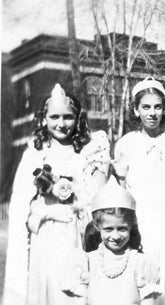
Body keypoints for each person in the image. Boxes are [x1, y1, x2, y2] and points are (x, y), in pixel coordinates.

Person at [4, 83, 110, 305]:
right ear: (44, 119)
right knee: (49, 289)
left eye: (68, 117)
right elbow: (21, 204)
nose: (61, 124)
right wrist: (48, 212)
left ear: (78, 118)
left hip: (76, 237)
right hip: (46, 238)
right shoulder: (36, 156)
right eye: (54, 117)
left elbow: (96, 197)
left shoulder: (86, 154)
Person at [114, 76, 165, 254]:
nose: (152, 113)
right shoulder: (126, 144)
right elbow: (122, 190)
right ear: (136, 110)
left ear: (164, 110)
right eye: (146, 107)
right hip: (138, 221)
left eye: (158, 107)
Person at [62, 178, 162, 305]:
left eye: (122, 229)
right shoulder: (87, 263)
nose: (115, 236)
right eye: (108, 229)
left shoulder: (141, 264)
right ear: (97, 227)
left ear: (131, 226)